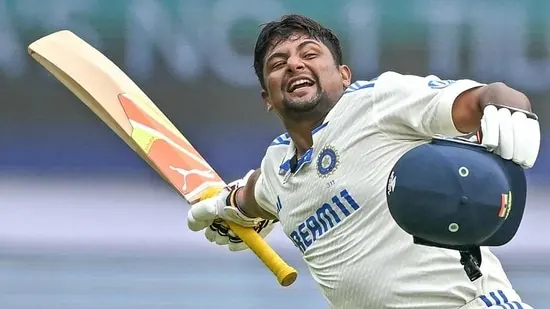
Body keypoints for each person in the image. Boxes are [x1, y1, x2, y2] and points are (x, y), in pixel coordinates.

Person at [186, 14, 541, 309]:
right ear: (268, 97)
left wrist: (505, 101)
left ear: (344, 75)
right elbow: (251, 196)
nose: (294, 64)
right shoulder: (275, 168)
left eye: (309, 54)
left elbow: (479, 98)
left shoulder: (377, 103)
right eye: (278, 64)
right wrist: (228, 207)